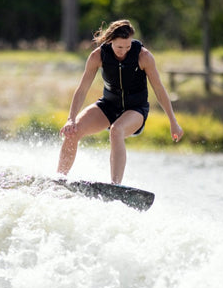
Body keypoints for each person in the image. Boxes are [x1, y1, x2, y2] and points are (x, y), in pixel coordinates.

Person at [57, 19, 184, 184]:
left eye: (127, 46)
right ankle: (59, 180)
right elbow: (82, 90)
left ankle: (115, 186)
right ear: (110, 42)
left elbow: (159, 90)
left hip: (135, 110)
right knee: (72, 132)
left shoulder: (143, 56)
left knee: (116, 130)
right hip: (108, 106)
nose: (123, 51)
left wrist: (173, 121)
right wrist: (71, 119)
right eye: (119, 47)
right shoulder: (97, 56)